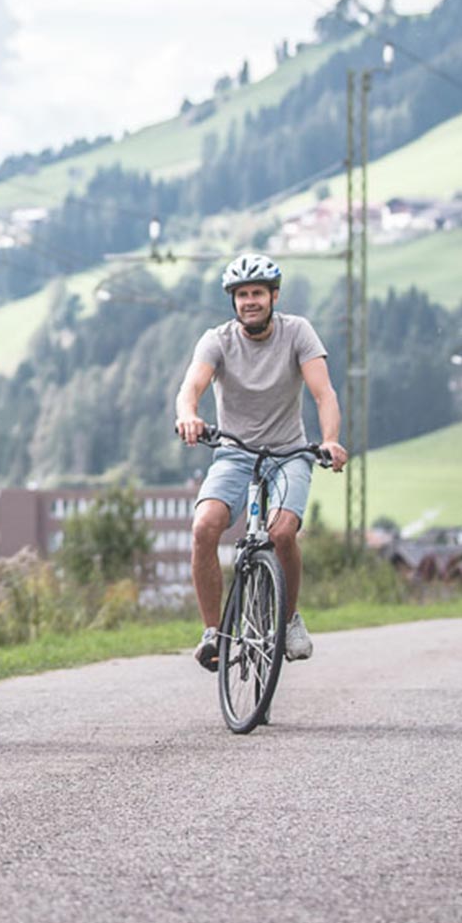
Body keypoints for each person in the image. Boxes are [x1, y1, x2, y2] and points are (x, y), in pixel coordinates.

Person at [173, 251, 348, 670]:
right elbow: (190, 388)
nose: (250, 301)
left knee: (283, 532)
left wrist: (330, 441)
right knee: (204, 527)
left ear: (274, 296)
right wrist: (189, 416)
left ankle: (288, 621)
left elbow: (324, 393)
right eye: (242, 295)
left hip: (289, 453)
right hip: (234, 453)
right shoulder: (217, 339)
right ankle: (213, 632)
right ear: (233, 301)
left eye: (258, 293)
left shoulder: (298, 332)